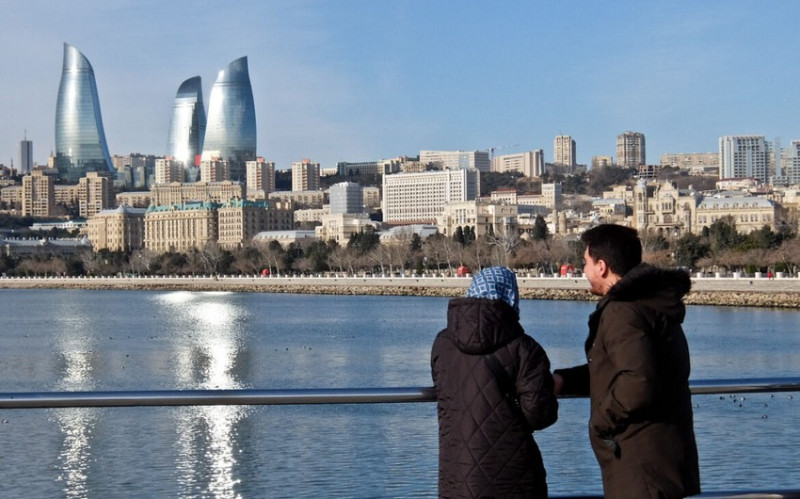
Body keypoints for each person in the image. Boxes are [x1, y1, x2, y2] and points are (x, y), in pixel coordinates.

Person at [553, 224, 700, 499]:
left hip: (640, 463)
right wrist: (566, 380)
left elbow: (637, 380)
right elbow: (621, 366)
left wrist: (600, 423)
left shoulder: (623, 311)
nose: (584, 271)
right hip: (664, 456)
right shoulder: (651, 302)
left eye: (585, 263)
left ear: (602, 267)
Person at [431, 266, 558, 498]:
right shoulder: (525, 349)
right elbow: (540, 416)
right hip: (515, 476)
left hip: (457, 474)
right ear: (511, 296)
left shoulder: (443, 344)